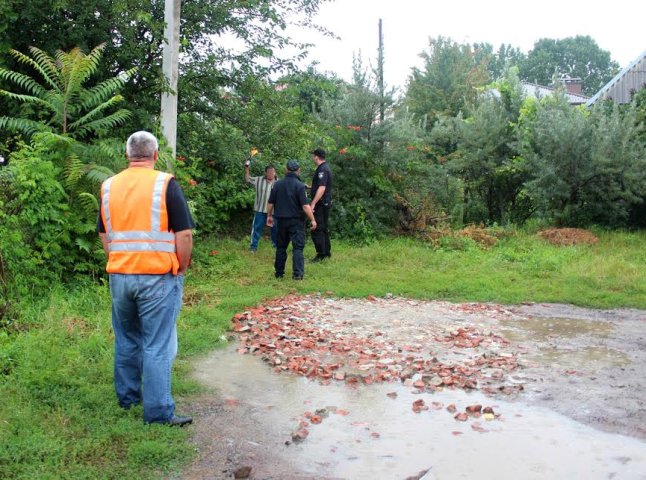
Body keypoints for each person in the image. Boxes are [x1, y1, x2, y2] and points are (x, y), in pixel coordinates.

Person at [97, 131, 195, 426]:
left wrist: (116, 259)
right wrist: (181, 267)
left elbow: (104, 233)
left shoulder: (109, 186)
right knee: (156, 344)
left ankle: (128, 398)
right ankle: (158, 413)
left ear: (126, 155)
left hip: (120, 275)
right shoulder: (165, 183)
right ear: (154, 155)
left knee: (126, 340)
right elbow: (185, 234)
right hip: (157, 276)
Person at [266, 160, 316, 280]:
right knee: (297, 248)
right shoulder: (300, 186)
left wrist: (269, 216)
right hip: (296, 221)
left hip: (281, 221)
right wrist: (313, 220)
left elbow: (270, 203)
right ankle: (297, 274)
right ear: (298, 170)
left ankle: (279, 273)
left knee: (281, 247)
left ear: (286, 169)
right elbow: (305, 206)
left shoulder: (277, 184)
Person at [244, 158, 277, 251]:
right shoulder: (258, 180)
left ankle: (276, 248)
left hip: (274, 212)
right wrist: (246, 168)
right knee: (257, 229)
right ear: (266, 173)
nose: (271, 174)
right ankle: (253, 247)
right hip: (260, 210)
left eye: (272, 172)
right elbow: (247, 179)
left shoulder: (279, 183)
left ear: (275, 173)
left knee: (275, 230)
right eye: (269, 172)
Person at [309, 148, 333, 262]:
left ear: (316, 157)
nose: (312, 157)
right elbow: (322, 186)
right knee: (323, 228)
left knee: (317, 228)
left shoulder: (322, 169)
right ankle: (326, 252)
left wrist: (313, 203)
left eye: (313, 155)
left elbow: (322, 188)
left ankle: (320, 254)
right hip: (325, 202)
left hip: (320, 204)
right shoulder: (325, 168)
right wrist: (310, 188)